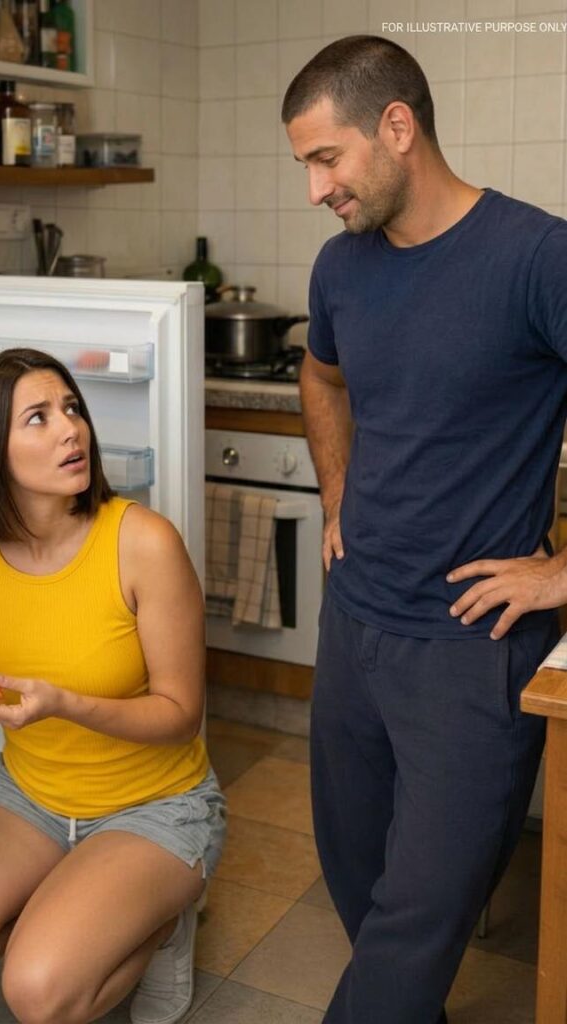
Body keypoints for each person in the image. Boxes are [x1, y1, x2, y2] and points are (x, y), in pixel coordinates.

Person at [282, 35, 567, 1024]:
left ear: (396, 126)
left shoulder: (538, 255)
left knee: (413, 927)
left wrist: (565, 573)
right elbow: (320, 374)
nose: (316, 188)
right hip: (354, 623)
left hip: (468, 644)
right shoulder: (340, 269)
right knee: (358, 879)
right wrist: (334, 493)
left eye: (327, 158)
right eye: (305, 165)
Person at [0, 348, 226, 1024]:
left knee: (37, 995)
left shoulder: (141, 542)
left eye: (70, 408)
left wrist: (65, 705)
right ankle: (72, 907)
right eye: (37, 418)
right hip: (28, 795)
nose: (72, 429)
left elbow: (181, 715)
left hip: (154, 806)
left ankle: (161, 924)